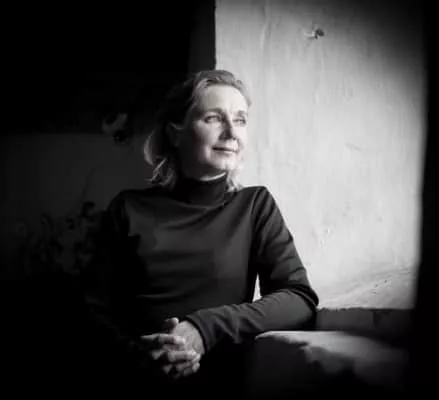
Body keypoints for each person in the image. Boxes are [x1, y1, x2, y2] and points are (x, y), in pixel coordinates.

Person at [82, 69, 319, 396]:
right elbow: (91, 313)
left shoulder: (255, 206)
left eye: (240, 120)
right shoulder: (128, 209)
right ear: (175, 133)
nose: (231, 133)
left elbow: (299, 299)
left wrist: (205, 327)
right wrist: (142, 357)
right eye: (214, 118)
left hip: (222, 394)